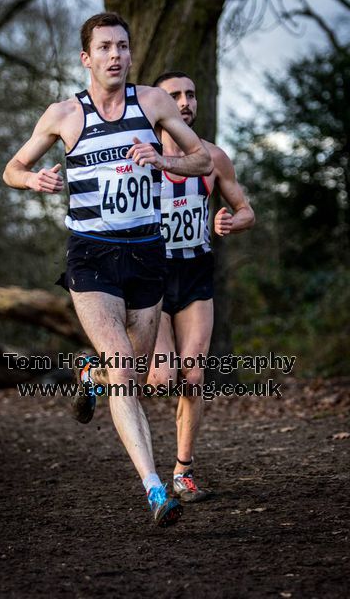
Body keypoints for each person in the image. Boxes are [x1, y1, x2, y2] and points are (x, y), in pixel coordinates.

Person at [2, 14, 212, 527]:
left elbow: (202, 159)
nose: (114, 55)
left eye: (122, 45)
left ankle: (90, 376)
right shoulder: (64, 115)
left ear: (130, 54)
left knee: (131, 375)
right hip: (91, 253)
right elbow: (11, 169)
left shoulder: (155, 104)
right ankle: (155, 488)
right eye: (104, 47)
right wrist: (35, 183)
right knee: (124, 365)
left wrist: (165, 164)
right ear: (86, 58)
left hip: (146, 253)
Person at [147, 71, 255, 503]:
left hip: (195, 275)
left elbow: (246, 209)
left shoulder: (212, 157)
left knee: (193, 376)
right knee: (159, 379)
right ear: (159, 103)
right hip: (150, 277)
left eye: (190, 94)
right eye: (175, 95)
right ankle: (96, 370)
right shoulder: (140, 156)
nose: (186, 101)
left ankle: (182, 473)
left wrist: (231, 219)